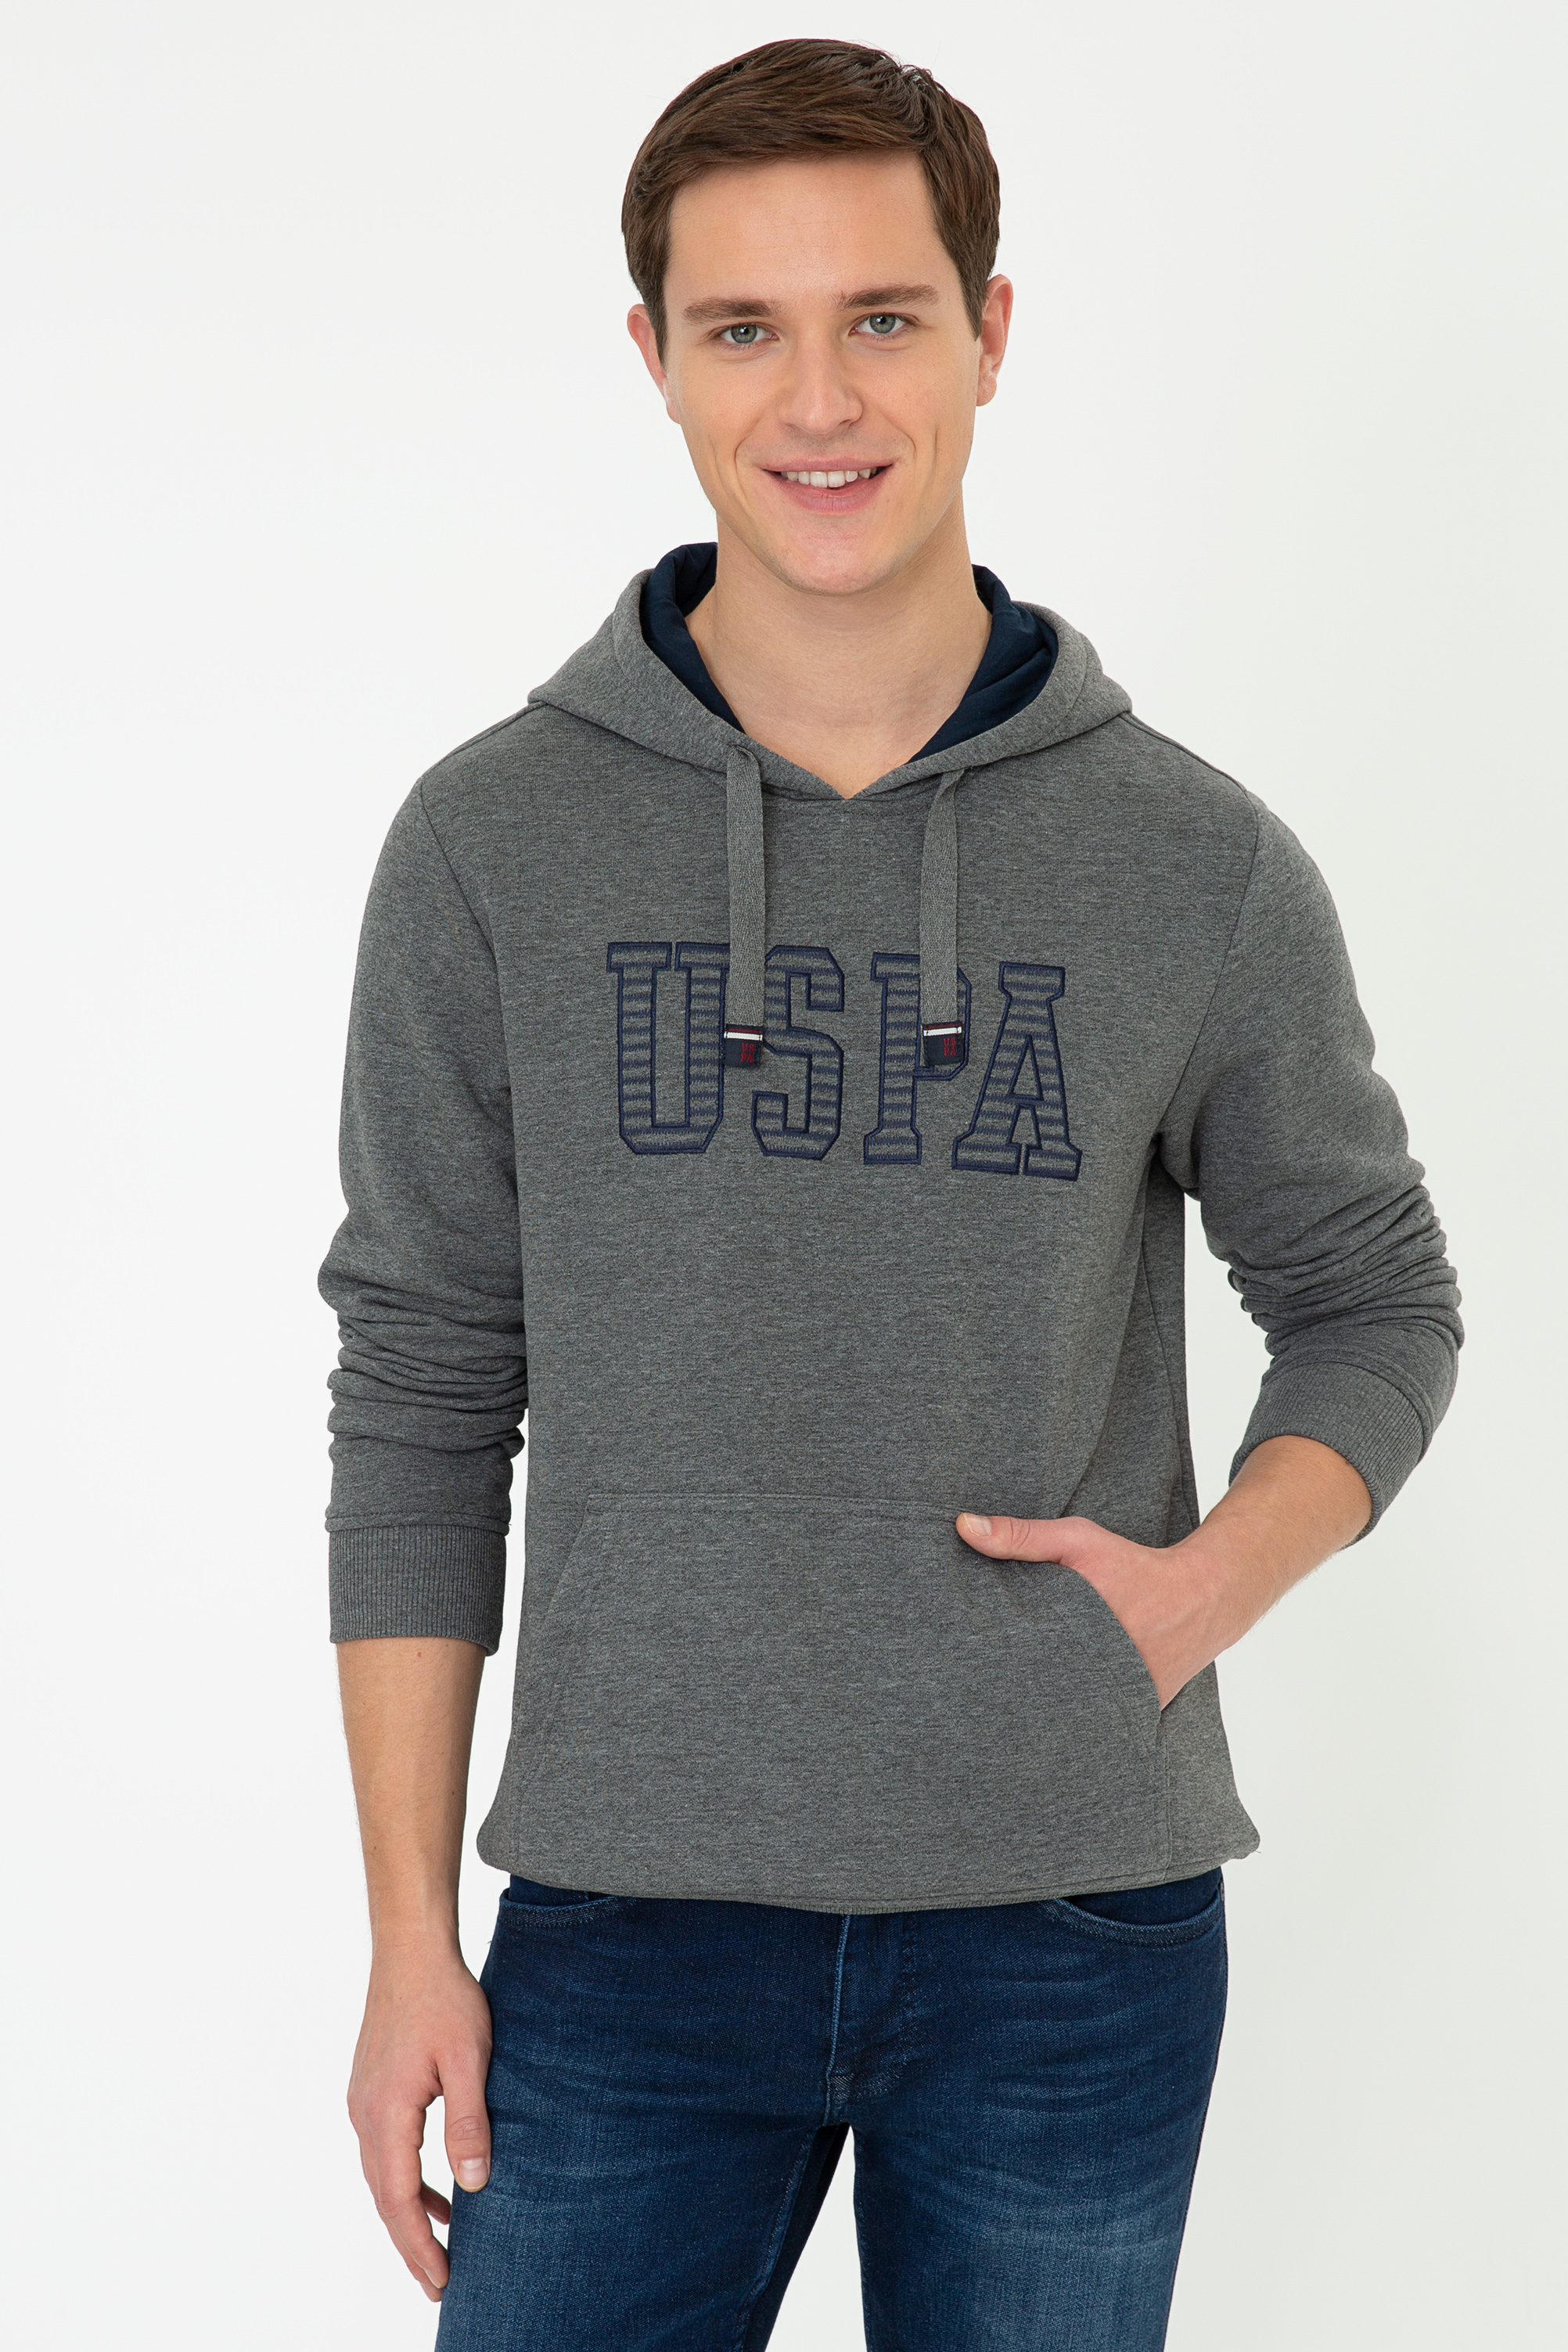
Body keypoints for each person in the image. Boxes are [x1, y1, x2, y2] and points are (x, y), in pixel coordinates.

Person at [319, 38, 1461, 2350]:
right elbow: (424, 1387)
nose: (819, 399)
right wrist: (410, 1935)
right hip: (623, 1924)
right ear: (653, 357)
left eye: (883, 317)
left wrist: (1207, 1589)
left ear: (989, 334)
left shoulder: (1192, 863)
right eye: (743, 327)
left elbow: (1373, 1297)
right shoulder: (492, 844)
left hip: (1069, 1924)